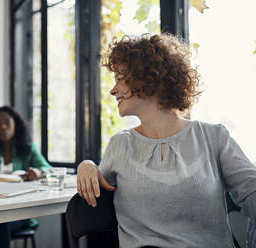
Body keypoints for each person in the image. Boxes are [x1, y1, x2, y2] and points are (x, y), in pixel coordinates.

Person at [77, 33, 256, 248]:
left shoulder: (213, 137)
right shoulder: (120, 145)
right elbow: (95, 191)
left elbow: (251, 190)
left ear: (147, 76)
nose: (113, 90)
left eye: (119, 78)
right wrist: (87, 165)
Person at [0, 105, 52, 248]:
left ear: (16, 124)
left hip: (19, 213)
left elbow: (49, 169)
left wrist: (39, 172)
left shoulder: (28, 148)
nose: (3, 127)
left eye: (7, 122)